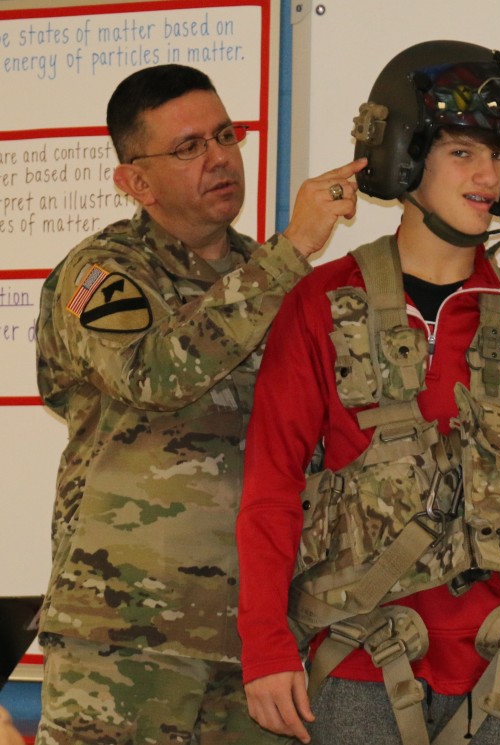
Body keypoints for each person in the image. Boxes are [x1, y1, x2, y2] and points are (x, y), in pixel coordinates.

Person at [236, 41, 500, 745]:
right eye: (464, 152)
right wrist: (266, 645)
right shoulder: (320, 302)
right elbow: (272, 487)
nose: (489, 175)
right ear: (408, 155)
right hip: (357, 664)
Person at [34, 63, 365, 745]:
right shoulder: (101, 272)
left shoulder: (276, 279)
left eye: (224, 135)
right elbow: (157, 371)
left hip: (256, 640)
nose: (219, 158)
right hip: (125, 639)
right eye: (189, 147)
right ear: (135, 179)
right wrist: (294, 247)